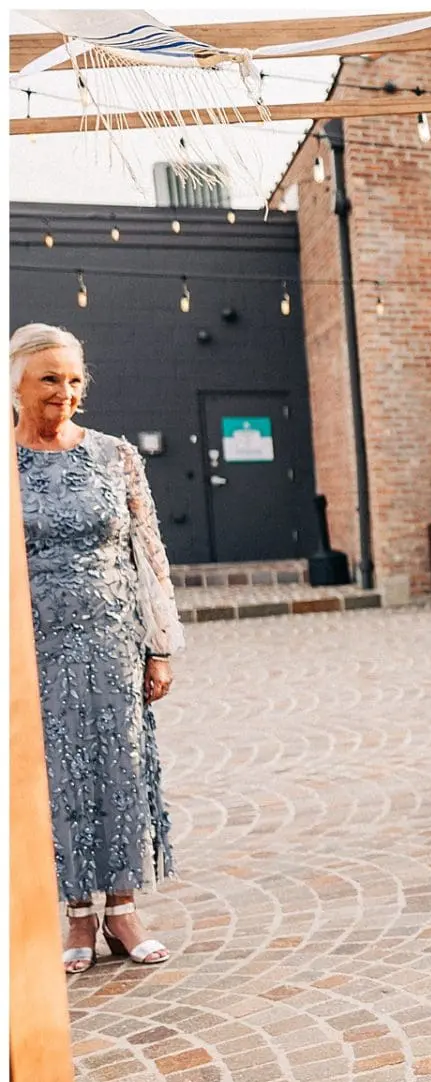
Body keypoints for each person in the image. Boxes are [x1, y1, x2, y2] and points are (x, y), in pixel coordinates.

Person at [13, 324, 182, 974]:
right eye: (50, 378)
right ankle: (76, 915)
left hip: (115, 642)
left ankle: (123, 907)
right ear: (18, 385)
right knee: (56, 777)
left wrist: (158, 647)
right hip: (36, 650)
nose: (67, 392)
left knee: (120, 772)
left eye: (76, 379)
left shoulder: (116, 456)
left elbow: (150, 555)